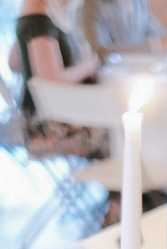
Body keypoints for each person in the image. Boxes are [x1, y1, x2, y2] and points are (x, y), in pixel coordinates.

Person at [10, 0, 106, 157]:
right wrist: (89, 65)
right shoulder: (39, 16)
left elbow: (13, 63)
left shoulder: (35, 12)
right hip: (51, 127)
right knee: (117, 132)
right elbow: (51, 81)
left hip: (43, 117)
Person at [79, 0, 167, 60]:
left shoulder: (139, 2)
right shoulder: (93, 4)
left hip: (141, 69)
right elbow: (100, 51)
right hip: (111, 75)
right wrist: (149, 47)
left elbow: (156, 33)